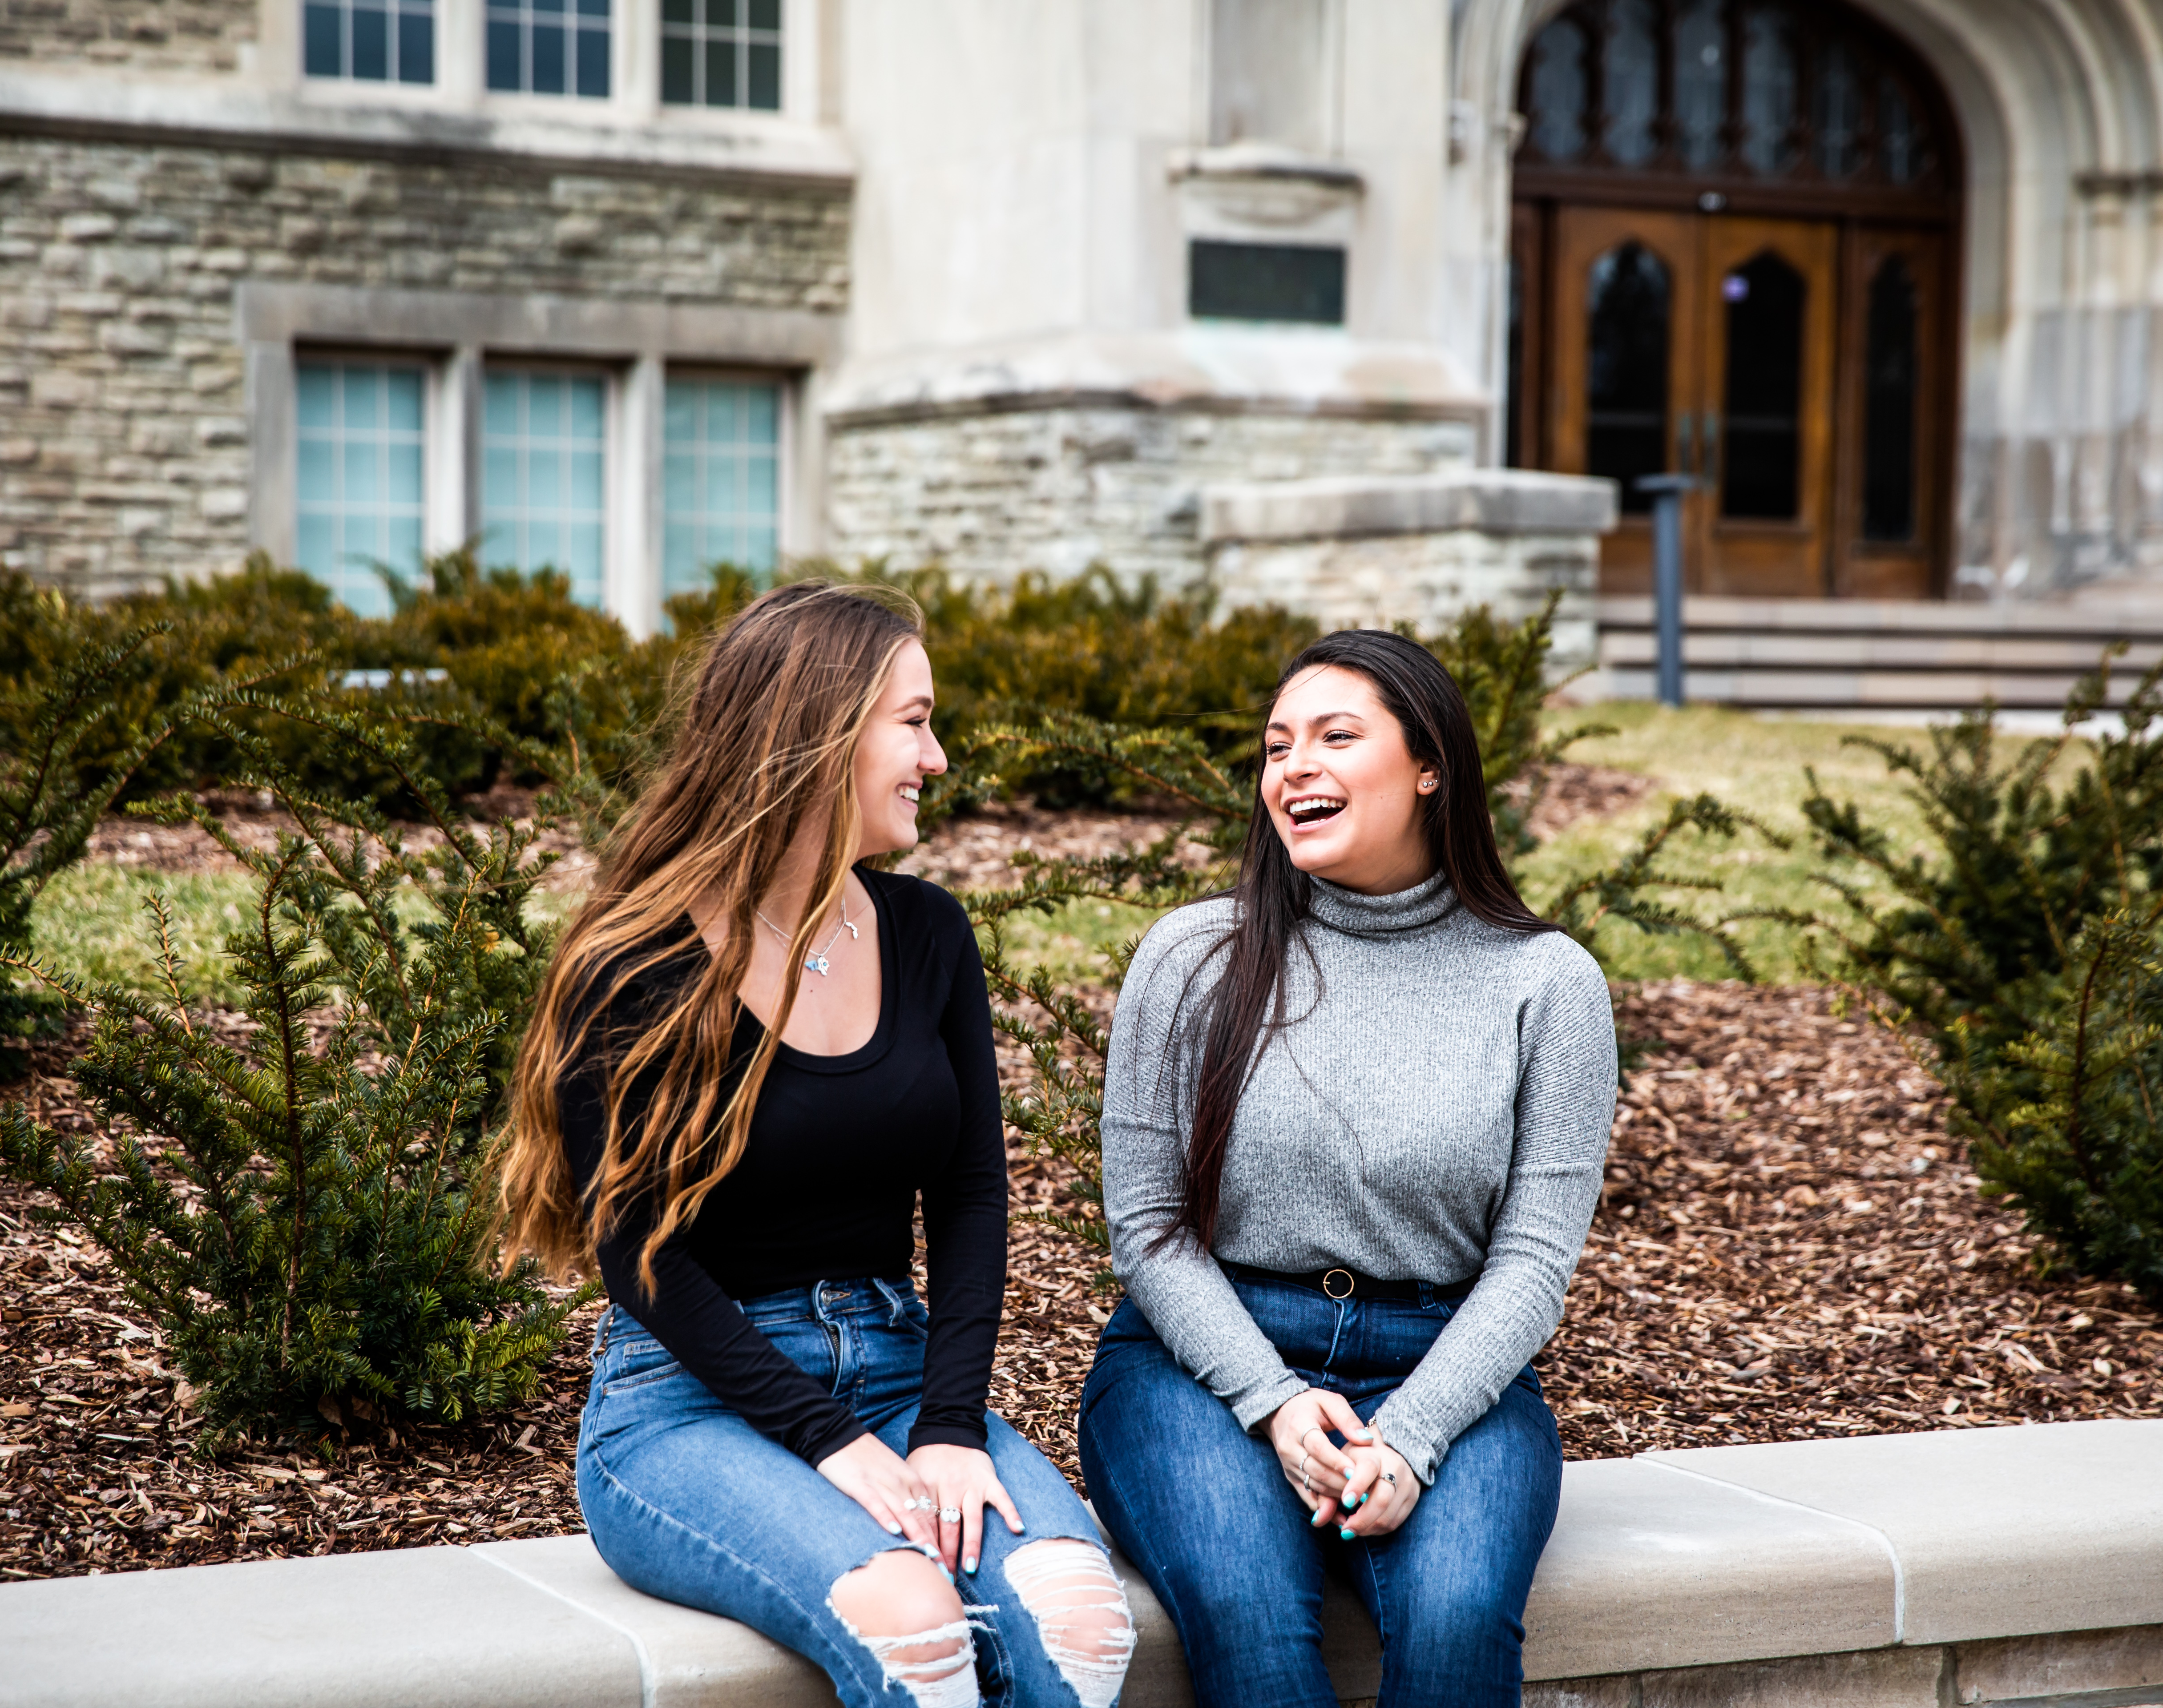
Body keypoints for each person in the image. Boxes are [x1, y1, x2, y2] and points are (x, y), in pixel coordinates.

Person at [497, 582, 1133, 1708]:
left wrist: (947, 1428)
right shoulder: (636, 960)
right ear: (819, 734)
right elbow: (634, 1250)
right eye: (915, 720)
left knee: (1080, 1618)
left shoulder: (927, 932)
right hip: (689, 1403)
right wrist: (829, 1442)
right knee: (915, 1628)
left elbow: (976, 1196)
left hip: (898, 1367)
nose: (937, 757)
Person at [1079, 628, 1617, 1708]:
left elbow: (1534, 1261)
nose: (1294, 769)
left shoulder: (1546, 984)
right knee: (1254, 1627)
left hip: (1446, 1366)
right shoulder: (1193, 958)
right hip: (1202, 1369)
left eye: (1335, 736)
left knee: (1460, 1624)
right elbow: (1146, 1227)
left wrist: (1413, 1439)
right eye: (1277, 748)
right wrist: (1274, 1403)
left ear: (1431, 768)